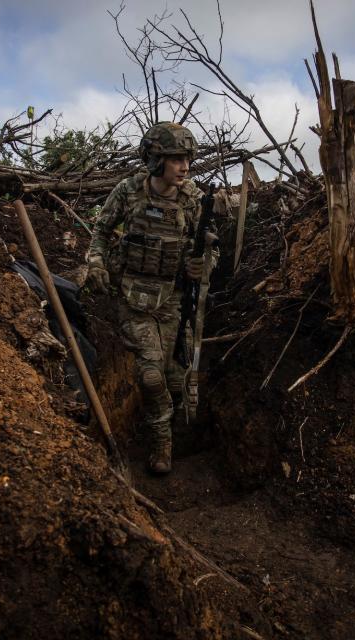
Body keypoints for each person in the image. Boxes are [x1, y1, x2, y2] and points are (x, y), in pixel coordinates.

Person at [85, 122, 216, 475]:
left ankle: (175, 429)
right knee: (150, 376)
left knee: (176, 377)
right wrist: (96, 264)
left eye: (187, 158)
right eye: (175, 159)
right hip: (133, 295)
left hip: (173, 299)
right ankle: (162, 442)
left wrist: (199, 266)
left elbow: (208, 249)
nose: (184, 166)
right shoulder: (128, 192)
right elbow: (101, 232)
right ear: (155, 160)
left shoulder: (193, 200)